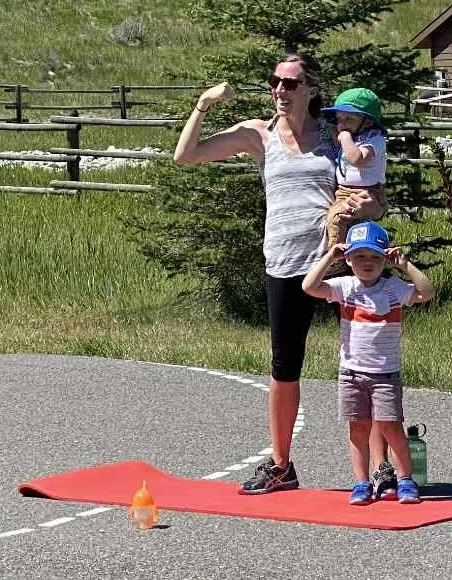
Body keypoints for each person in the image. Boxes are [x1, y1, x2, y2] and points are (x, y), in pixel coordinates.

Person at [173, 51, 374, 495]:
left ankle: (379, 470)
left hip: (336, 264)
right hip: (284, 264)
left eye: (291, 83)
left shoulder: (333, 135)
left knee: (368, 363)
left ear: (311, 89)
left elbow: (373, 191)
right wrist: (204, 104)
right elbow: (185, 156)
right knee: (285, 365)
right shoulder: (257, 134)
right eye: (275, 82)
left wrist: (367, 209)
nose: (280, 91)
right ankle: (282, 465)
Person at [301, 221, 435, 504]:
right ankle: (361, 482)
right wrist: (330, 257)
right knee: (357, 427)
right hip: (351, 373)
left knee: (390, 426)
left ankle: (406, 480)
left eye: (375, 257)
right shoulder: (344, 286)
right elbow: (309, 286)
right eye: (360, 256)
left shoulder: (393, 288)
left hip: (385, 375)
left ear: (385, 259)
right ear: (348, 259)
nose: (367, 263)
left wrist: (406, 266)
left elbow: (426, 293)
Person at [319, 86, 389, 263]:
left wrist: (344, 138)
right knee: (347, 223)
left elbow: (358, 160)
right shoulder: (354, 136)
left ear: (367, 122)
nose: (342, 124)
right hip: (344, 190)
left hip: (365, 192)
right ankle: (352, 255)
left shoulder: (374, 140)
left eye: (349, 119)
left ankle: (335, 259)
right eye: (339, 119)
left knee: (337, 218)